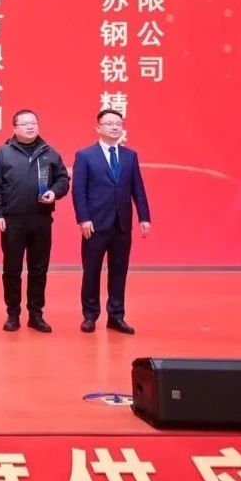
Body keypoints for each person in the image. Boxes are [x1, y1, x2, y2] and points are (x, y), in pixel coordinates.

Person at [0, 109, 70, 333]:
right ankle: (13, 314)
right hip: (12, 220)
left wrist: (54, 192)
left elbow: (63, 179)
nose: (30, 127)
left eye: (33, 123)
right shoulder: (2, 153)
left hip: (41, 219)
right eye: (25, 124)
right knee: (12, 269)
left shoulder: (49, 152)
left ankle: (36, 314)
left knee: (38, 269)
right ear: (14, 128)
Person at [72, 109, 152, 335]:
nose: (115, 127)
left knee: (119, 271)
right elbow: (79, 191)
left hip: (122, 225)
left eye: (118, 123)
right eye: (109, 123)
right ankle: (90, 315)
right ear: (98, 128)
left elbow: (138, 189)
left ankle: (116, 316)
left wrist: (144, 216)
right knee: (92, 271)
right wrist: (83, 218)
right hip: (95, 225)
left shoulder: (129, 156)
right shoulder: (85, 156)